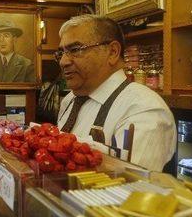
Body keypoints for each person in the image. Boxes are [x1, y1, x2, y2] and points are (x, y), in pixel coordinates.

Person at [55, 14, 176, 171]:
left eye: (75, 50)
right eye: (61, 53)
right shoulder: (70, 100)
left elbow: (132, 184)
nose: (63, 61)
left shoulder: (143, 109)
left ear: (112, 52)